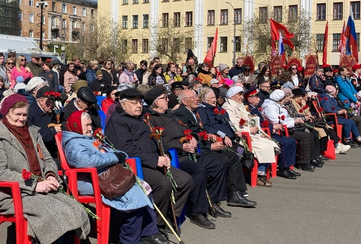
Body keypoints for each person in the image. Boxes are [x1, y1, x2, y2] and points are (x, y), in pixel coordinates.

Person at [0, 94, 92, 244]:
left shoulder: (33, 132)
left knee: (73, 207)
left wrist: (51, 175)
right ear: (7, 113)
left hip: (41, 187)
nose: (22, 119)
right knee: (52, 213)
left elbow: (49, 159)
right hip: (13, 194)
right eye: (17, 114)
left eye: (25, 114)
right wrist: (34, 184)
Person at [63, 110, 169, 244]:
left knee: (143, 187)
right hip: (88, 180)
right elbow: (85, 161)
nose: (90, 128)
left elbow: (108, 152)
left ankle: (147, 231)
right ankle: (128, 241)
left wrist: (120, 155)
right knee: (133, 195)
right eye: (86, 125)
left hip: (106, 175)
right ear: (76, 126)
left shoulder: (87, 138)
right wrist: (115, 157)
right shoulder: (73, 143)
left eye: (90, 124)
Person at [104, 88, 193, 234]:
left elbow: (157, 138)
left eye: (140, 102)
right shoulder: (118, 121)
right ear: (123, 104)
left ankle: (168, 216)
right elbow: (127, 150)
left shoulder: (141, 117)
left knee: (185, 180)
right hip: (135, 164)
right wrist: (155, 159)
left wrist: (164, 155)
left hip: (153, 159)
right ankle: (154, 225)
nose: (139, 106)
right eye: (134, 103)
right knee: (162, 184)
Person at [146, 86, 230, 226]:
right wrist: (181, 146)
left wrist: (193, 137)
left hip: (189, 151)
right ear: (156, 102)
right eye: (164, 98)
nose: (168, 100)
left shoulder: (170, 114)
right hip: (175, 156)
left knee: (218, 164)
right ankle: (198, 211)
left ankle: (213, 201)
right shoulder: (151, 118)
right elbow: (160, 142)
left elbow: (185, 129)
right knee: (198, 170)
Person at [177, 88, 257, 207]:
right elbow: (206, 128)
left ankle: (237, 190)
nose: (214, 100)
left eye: (215, 97)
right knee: (231, 156)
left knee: (242, 153)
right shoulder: (201, 111)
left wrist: (235, 132)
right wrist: (221, 136)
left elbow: (228, 124)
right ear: (205, 99)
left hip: (228, 140)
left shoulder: (219, 110)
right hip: (211, 143)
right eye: (211, 98)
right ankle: (232, 191)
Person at [223, 85, 277, 186]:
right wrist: (249, 130)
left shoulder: (241, 105)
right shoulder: (228, 107)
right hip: (241, 137)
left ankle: (262, 172)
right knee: (264, 147)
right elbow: (234, 126)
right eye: (240, 95)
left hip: (251, 134)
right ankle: (259, 174)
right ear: (233, 96)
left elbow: (250, 120)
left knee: (271, 144)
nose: (242, 97)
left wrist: (262, 133)